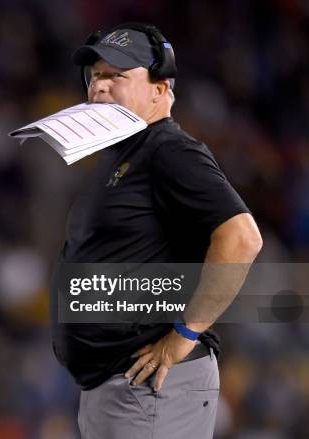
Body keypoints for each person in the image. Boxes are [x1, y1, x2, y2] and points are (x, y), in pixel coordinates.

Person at [49, 23, 263, 439]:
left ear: (160, 89)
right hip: (118, 391)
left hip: (151, 389)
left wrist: (185, 334)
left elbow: (242, 237)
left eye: (117, 76)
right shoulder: (123, 154)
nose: (100, 87)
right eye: (95, 76)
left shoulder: (168, 150)